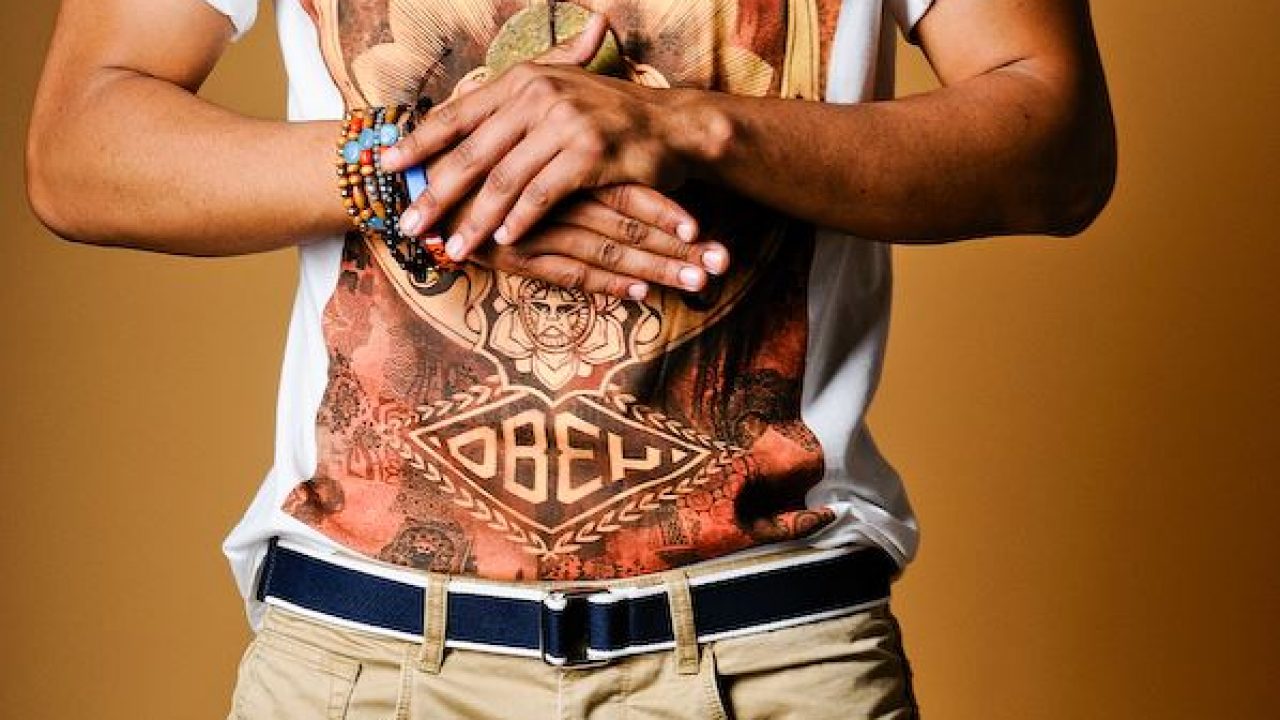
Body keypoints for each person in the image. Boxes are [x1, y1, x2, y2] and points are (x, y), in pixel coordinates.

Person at [26, 0, 1115, 717]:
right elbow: (79, 147)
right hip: (364, 660)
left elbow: (1056, 140)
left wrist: (697, 130)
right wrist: (427, 171)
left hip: (772, 653)